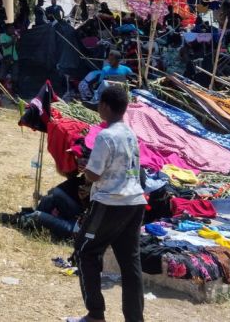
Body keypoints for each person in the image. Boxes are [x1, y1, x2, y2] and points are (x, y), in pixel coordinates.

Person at [67, 86, 145, 322]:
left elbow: (94, 174)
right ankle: (134, 318)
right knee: (130, 261)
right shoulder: (130, 133)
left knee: (84, 251)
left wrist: (84, 166)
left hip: (110, 202)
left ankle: (95, 314)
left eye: (100, 104)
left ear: (105, 106)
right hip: (135, 201)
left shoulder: (105, 135)